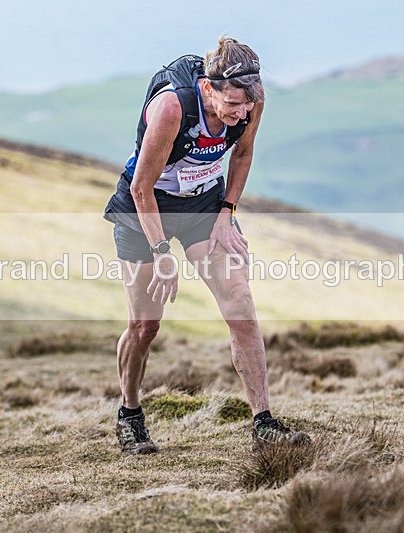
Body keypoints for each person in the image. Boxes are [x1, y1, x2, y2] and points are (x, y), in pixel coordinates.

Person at [103, 37, 308, 454]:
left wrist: (226, 211)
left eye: (245, 107)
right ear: (209, 87)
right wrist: (162, 254)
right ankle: (130, 414)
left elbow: (243, 154)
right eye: (231, 105)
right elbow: (142, 188)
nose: (238, 115)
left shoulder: (251, 99)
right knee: (145, 325)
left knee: (240, 301)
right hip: (146, 207)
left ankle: (263, 423)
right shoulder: (173, 108)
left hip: (202, 204)